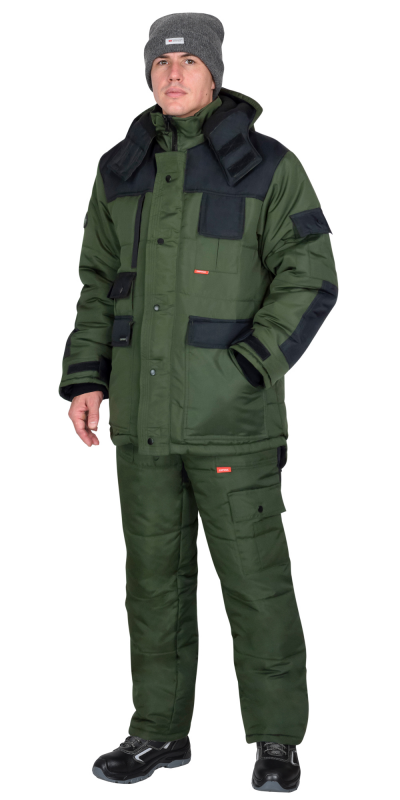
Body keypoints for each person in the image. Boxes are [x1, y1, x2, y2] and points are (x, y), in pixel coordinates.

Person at [59, 12, 337, 792]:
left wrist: (246, 367)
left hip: (233, 425)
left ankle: (277, 739)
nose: (173, 74)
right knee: (153, 585)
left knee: (256, 583)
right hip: (142, 424)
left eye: (187, 62)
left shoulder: (267, 167)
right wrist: (87, 378)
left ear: (214, 72)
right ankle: (158, 732)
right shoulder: (122, 168)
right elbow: (98, 284)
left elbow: (311, 278)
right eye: (161, 63)